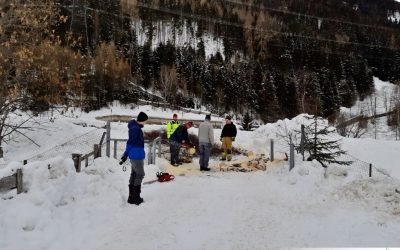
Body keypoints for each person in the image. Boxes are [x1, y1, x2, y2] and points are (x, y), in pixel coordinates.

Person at [120, 111, 148, 205]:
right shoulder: (135, 129)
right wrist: (125, 154)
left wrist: (127, 154)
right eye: (145, 121)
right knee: (140, 174)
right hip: (136, 155)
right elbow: (130, 142)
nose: (145, 123)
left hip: (136, 154)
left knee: (134, 174)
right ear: (142, 120)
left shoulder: (135, 127)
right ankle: (136, 197)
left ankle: (131, 197)